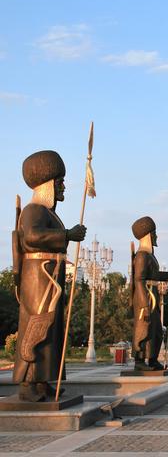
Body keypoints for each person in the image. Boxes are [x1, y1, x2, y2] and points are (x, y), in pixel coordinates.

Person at [13, 150, 87, 401]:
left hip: (50, 277)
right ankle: (28, 383)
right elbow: (32, 237)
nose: (63, 186)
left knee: (51, 329)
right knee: (37, 326)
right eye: (59, 182)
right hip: (38, 278)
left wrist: (66, 235)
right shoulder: (34, 210)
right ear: (47, 185)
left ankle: (43, 380)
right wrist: (67, 235)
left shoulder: (51, 214)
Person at [131, 217, 168, 371]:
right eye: (154, 233)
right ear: (148, 235)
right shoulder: (141, 256)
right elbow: (139, 279)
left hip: (152, 294)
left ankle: (152, 359)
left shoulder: (149, 255)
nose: (156, 236)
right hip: (144, 296)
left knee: (156, 329)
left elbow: (153, 275)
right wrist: (144, 302)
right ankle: (139, 361)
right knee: (143, 328)